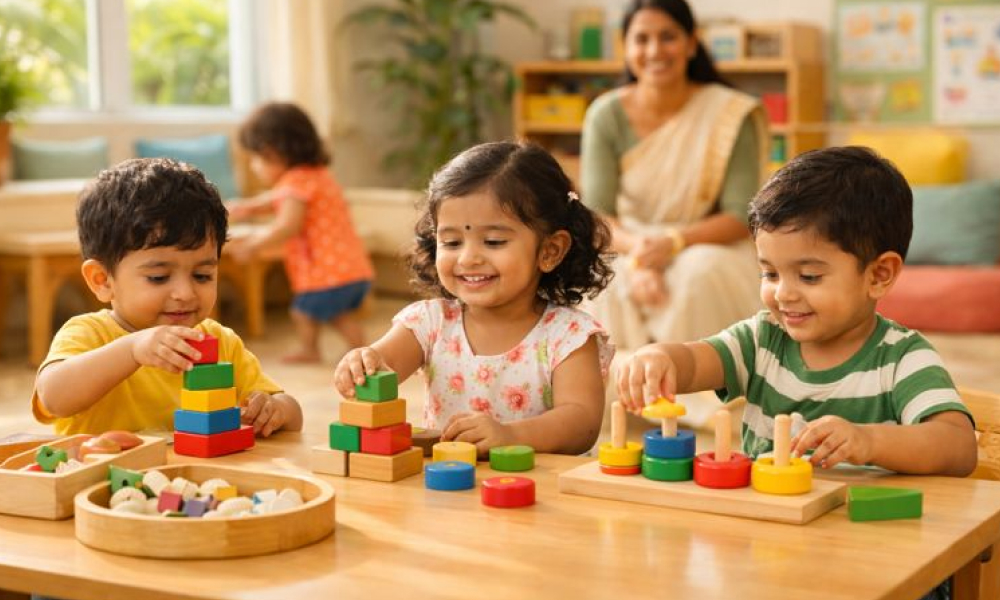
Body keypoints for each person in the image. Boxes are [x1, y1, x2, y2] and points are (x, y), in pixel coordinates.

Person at [616, 146, 977, 478]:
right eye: (769, 273)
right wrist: (660, 357)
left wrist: (871, 441)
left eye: (809, 276)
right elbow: (695, 363)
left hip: (867, 540)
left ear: (879, 275)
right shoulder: (762, 340)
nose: (783, 293)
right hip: (770, 537)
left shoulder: (903, 358)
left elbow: (958, 447)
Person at [334, 141, 615, 456]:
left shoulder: (569, 336)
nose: (468, 258)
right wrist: (361, 363)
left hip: (542, 494)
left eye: (493, 241)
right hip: (453, 488)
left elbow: (582, 423)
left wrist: (510, 435)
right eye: (452, 241)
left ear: (550, 251)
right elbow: (382, 365)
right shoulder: (429, 323)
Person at [32, 158, 303, 438]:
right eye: (158, 278)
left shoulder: (219, 343)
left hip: (190, 481)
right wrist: (133, 349)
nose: (185, 294)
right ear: (102, 280)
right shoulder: (89, 334)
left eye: (202, 276)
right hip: (102, 480)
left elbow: (292, 414)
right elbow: (53, 396)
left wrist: (274, 409)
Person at [581, 0, 769, 351]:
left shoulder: (729, 114)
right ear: (627, 47)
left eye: (668, 37)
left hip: (709, 244)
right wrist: (641, 254)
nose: (654, 50)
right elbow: (596, 215)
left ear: (691, 43)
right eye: (641, 39)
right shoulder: (605, 115)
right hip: (628, 242)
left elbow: (740, 215)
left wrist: (672, 244)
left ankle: (699, 400)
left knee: (700, 275)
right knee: (601, 280)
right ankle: (621, 400)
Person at [228, 101, 374, 364]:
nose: (254, 166)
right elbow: (276, 200)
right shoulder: (315, 175)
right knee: (337, 314)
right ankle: (357, 348)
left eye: (256, 159)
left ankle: (322, 350)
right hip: (350, 268)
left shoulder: (295, 182)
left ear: (274, 153)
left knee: (304, 312)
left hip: (328, 273)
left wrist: (254, 244)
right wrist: (246, 208)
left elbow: (287, 225)